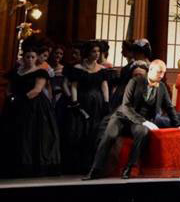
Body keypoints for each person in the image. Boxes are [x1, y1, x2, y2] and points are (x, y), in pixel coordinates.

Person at [85, 60, 180, 180]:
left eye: (163, 72)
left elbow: (169, 107)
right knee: (110, 135)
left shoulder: (162, 87)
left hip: (139, 121)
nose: (161, 75)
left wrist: (178, 125)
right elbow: (126, 106)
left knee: (142, 132)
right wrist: (144, 122)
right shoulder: (135, 82)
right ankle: (95, 169)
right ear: (151, 70)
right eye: (159, 72)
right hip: (123, 117)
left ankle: (129, 167)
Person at [3, 41, 60, 177]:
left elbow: (37, 90)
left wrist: (19, 99)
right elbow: (9, 88)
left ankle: (31, 166)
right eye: (27, 57)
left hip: (34, 106)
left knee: (31, 134)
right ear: (23, 57)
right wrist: (10, 97)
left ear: (36, 58)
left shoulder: (40, 72)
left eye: (32, 57)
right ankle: (14, 165)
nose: (30, 59)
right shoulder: (16, 72)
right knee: (15, 133)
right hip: (15, 106)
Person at [63, 40, 110, 173]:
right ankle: (78, 164)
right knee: (79, 131)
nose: (96, 54)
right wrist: (74, 101)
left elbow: (104, 86)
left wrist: (106, 102)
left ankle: (92, 164)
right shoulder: (78, 68)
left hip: (97, 102)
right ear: (88, 53)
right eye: (94, 51)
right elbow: (74, 86)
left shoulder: (102, 69)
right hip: (82, 100)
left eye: (98, 51)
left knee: (95, 131)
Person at [110, 39, 152, 111]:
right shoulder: (150, 65)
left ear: (141, 53)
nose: (133, 55)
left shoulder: (138, 66)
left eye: (135, 52)